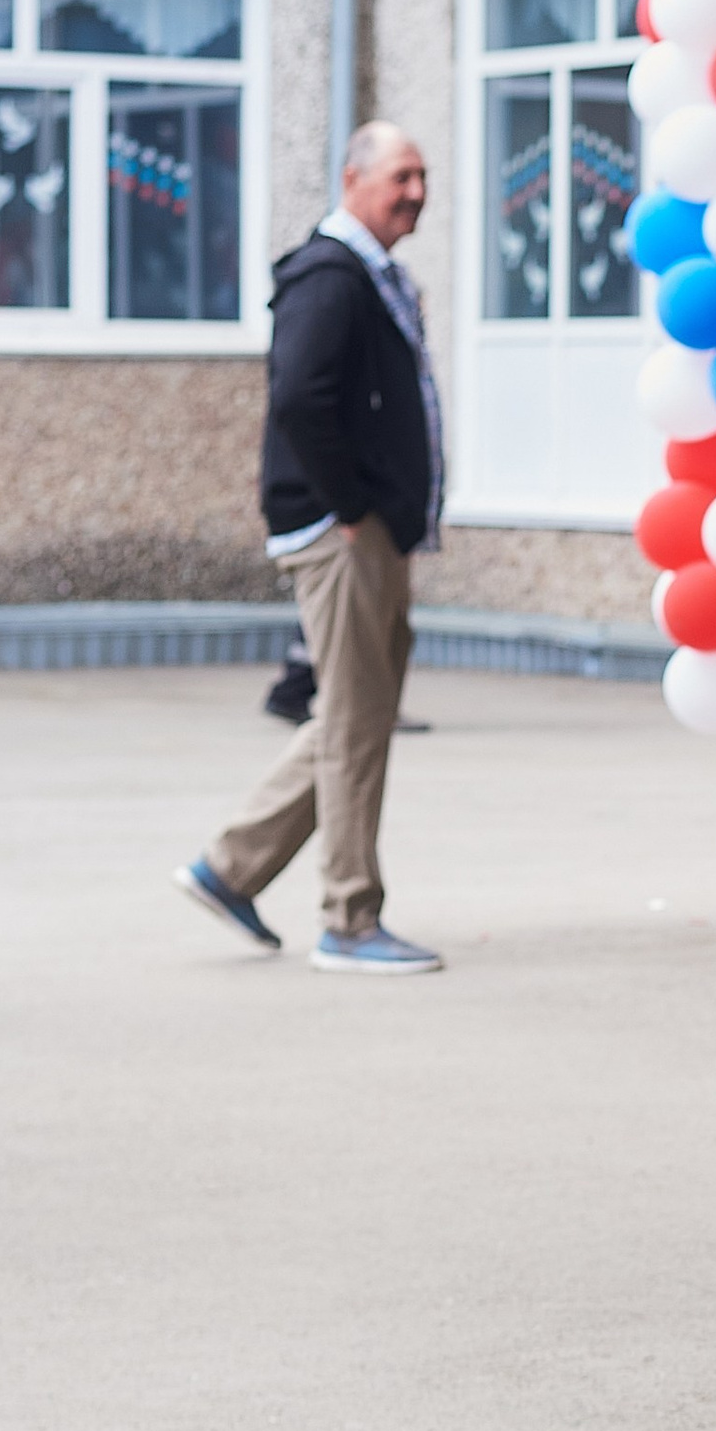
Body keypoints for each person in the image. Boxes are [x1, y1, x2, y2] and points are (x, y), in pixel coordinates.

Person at [177, 121, 446, 971]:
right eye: (401, 176)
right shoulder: (331, 276)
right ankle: (350, 918)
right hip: (343, 535)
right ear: (352, 179)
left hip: (365, 530)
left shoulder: (370, 274)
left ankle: (229, 869)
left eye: (422, 176)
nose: (416, 192)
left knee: (350, 715)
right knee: (358, 726)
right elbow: (298, 397)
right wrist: (351, 508)